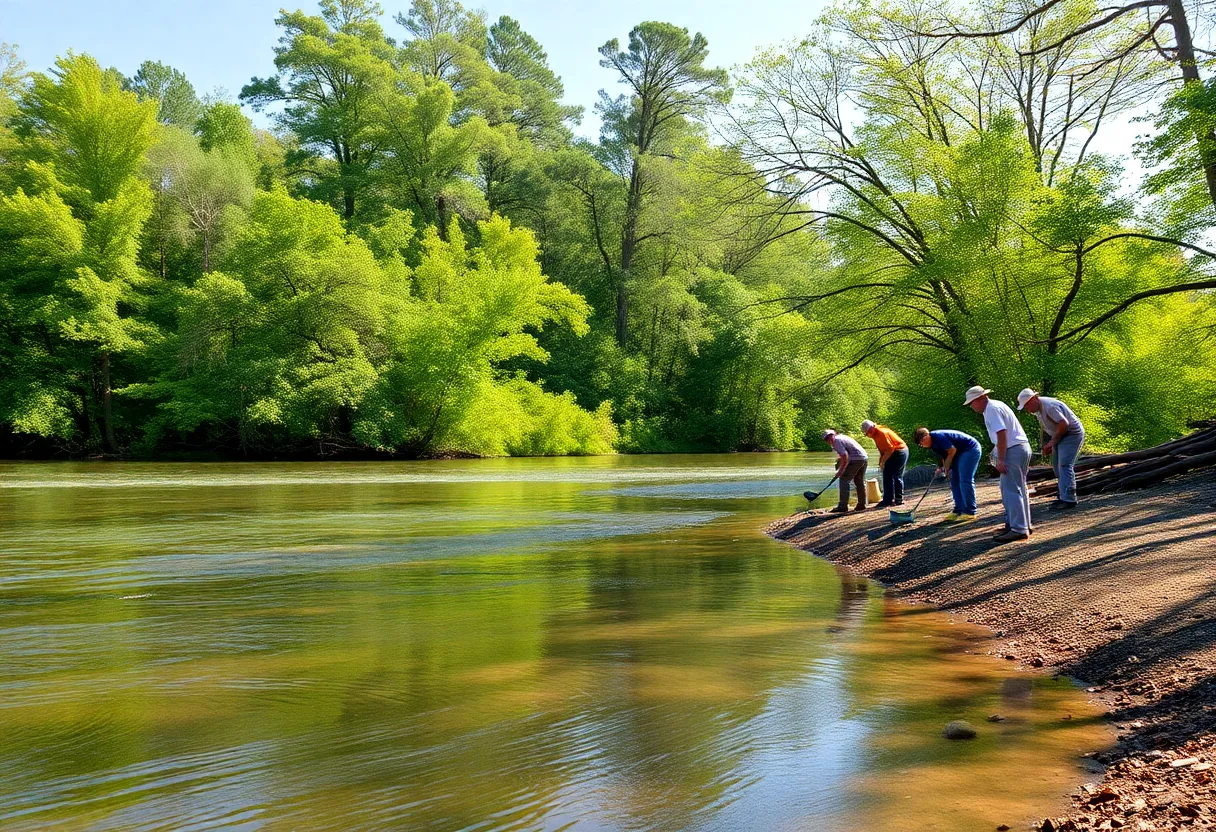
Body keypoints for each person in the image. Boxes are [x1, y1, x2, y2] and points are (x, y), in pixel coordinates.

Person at [963, 386, 1033, 542]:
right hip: (1020, 447)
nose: (972, 407)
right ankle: (1023, 524)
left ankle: (1018, 528)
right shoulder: (997, 405)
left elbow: (1002, 434)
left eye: (972, 403)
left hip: (1012, 450)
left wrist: (1000, 459)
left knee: (1010, 489)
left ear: (979, 399)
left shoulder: (991, 410)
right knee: (1020, 487)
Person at [1017, 388, 1085, 509]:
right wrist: (1048, 443)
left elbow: (1064, 424)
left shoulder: (1049, 406)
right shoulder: (1038, 409)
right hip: (1060, 435)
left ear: (1034, 399)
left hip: (1071, 434)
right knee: (1056, 466)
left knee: (1064, 465)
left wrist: (1053, 442)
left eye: (1027, 406)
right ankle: (1063, 495)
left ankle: (1069, 499)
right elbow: (1046, 427)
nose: (1027, 410)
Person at [914, 427, 981, 521]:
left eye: (922, 441)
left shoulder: (938, 436)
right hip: (958, 453)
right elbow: (943, 456)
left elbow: (952, 450)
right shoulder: (933, 445)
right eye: (921, 444)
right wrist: (941, 467)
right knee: (954, 481)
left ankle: (970, 512)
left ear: (926, 436)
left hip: (969, 449)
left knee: (965, 480)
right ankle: (958, 510)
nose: (923, 444)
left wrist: (947, 467)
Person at [861, 419, 908, 508]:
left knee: (896, 475)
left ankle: (899, 499)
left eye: (868, 433)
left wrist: (883, 461)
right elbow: (883, 450)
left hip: (900, 451)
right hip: (891, 452)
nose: (868, 435)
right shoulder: (875, 434)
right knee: (886, 475)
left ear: (872, 428)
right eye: (866, 434)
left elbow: (890, 449)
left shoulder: (881, 433)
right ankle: (887, 500)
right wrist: (880, 462)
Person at [821, 429, 869, 513]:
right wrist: (840, 462)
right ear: (825, 440)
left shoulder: (836, 441)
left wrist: (841, 470)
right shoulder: (842, 437)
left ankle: (843, 506)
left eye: (830, 436)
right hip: (863, 458)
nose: (829, 439)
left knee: (844, 480)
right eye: (827, 438)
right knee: (859, 481)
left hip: (856, 459)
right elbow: (845, 453)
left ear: (834, 434)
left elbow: (844, 455)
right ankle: (861, 504)